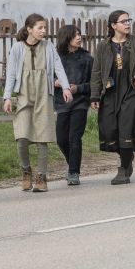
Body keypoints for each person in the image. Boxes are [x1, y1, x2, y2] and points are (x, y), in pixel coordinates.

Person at [3, 14, 72, 194]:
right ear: (29, 29)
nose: (43, 31)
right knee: (21, 136)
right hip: (24, 95)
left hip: (44, 95)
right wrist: (7, 97)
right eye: (40, 28)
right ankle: (26, 171)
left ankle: (41, 178)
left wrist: (65, 87)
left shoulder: (48, 47)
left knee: (42, 137)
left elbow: (58, 67)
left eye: (44, 28)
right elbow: (11, 73)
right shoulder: (17, 48)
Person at [91, 10, 135, 185]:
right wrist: (95, 96)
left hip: (131, 91)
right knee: (112, 129)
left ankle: (123, 168)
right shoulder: (103, 46)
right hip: (111, 93)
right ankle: (127, 157)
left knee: (126, 128)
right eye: (123, 21)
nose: (127, 24)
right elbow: (97, 71)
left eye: (129, 20)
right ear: (113, 25)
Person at [55, 25, 93, 185]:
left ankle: (73, 172)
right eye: (75, 35)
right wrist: (55, 82)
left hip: (80, 103)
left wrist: (78, 88)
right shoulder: (56, 58)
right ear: (66, 37)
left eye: (79, 34)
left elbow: (94, 84)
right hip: (62, 104)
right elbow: (45, 78)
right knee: (61, 139)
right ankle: (72, 164)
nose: (79, 37)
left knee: (74, 138)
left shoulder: (87, 59)